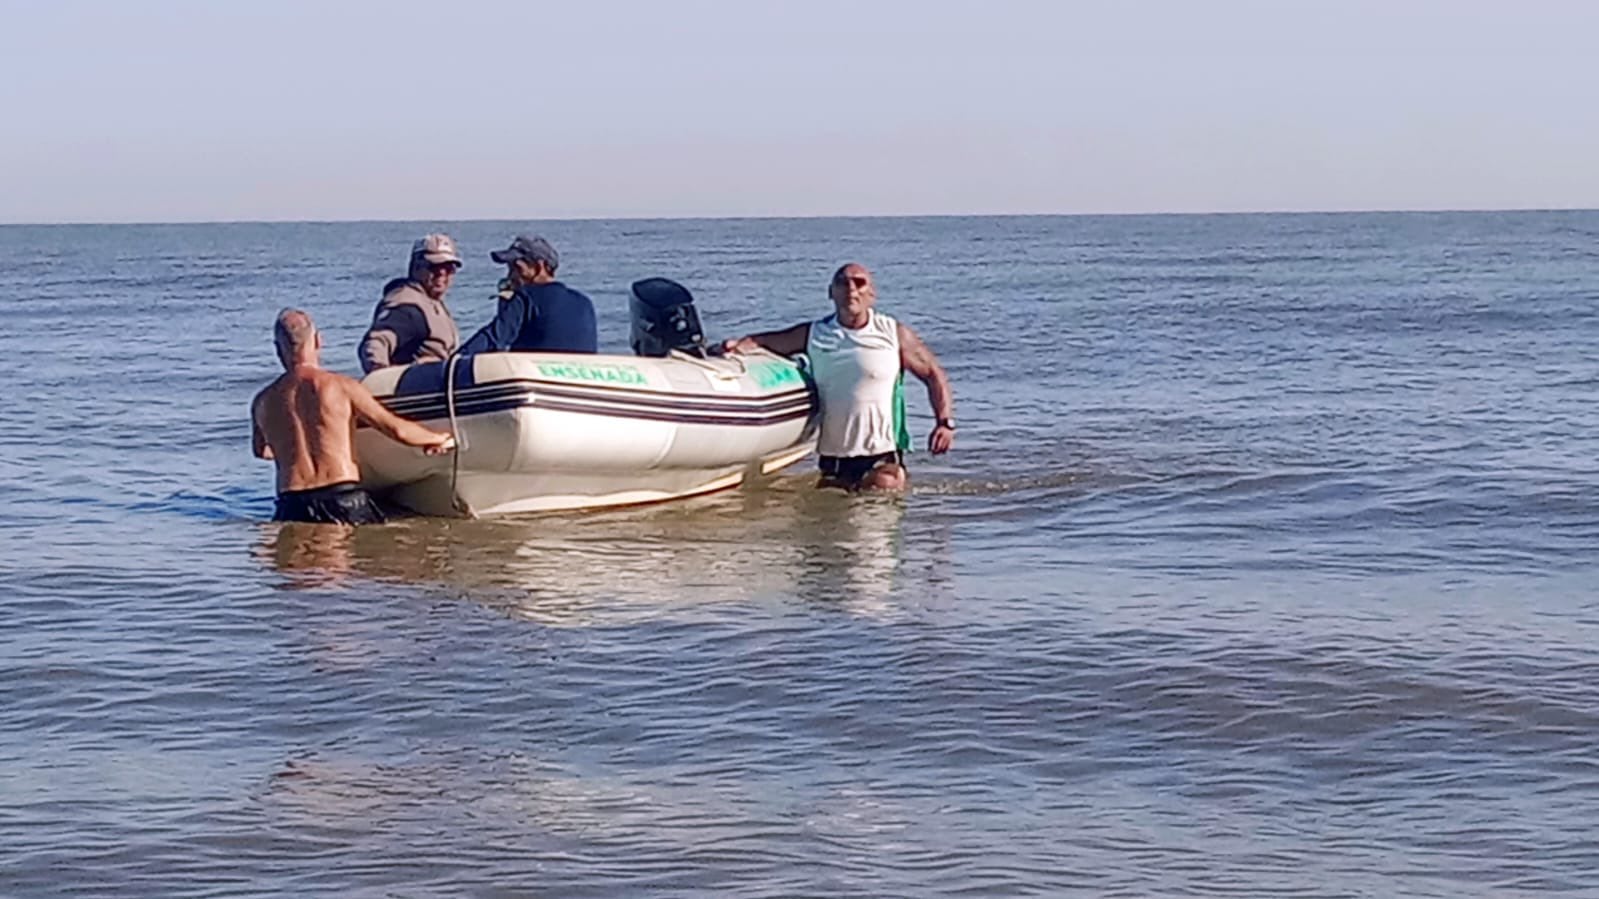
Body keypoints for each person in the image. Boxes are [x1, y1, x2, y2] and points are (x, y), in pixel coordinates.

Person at [723, 263, 955, 491]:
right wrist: (735, 347)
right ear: (831, 292)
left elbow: (933, 374)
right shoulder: (814, 333)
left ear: (872, 294)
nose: (851, 289)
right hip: (834, 457)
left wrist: (944, 423)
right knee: (830, 520)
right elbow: (765, 342)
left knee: (881, 494)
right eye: (842, 283)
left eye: (859, 283)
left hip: (882, 455)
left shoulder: (892, 333)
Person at [255, 309, 456, 524]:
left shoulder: (263, 401)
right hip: (341, 497)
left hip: (291, 504)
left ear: (278, 349)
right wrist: (437, 438)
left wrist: (292, 447)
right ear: (318, 340)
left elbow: (262, 451)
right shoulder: (341, 387)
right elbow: (396, 430)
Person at [458, 234, 598, 355]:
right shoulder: (584, 303)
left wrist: (456, 360)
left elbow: (495, 338)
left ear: (539, 267)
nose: (511, 275)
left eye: (517, 268)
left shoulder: (524, 298)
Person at [358, 233, 463, 373]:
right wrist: (380, 373)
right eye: (434, 267)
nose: (442, 274)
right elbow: (378, 341)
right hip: (421, 387)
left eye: (449, 268)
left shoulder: (430, 300)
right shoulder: (407, 305)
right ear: (416, 267)